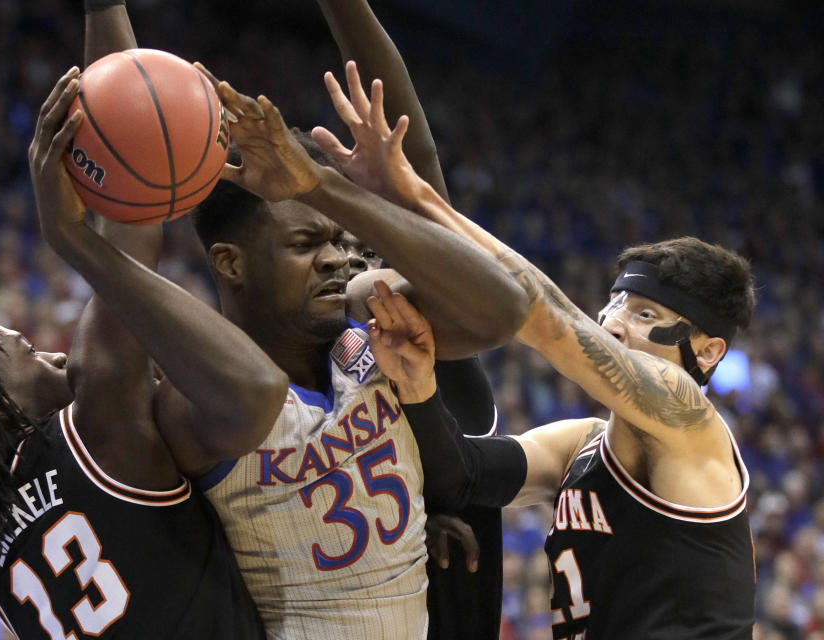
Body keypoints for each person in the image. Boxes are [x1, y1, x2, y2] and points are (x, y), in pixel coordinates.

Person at [0, 7, 285, 634]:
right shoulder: (89, 429)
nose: (55, 356)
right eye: (27, 354)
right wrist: (71, 239)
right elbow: (132, 199)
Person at [332, 95, 757, 636]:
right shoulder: (578, 445)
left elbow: (549, 319)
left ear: (708, 351)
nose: (612, 323)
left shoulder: (688, 417)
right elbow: (460, 475)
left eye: (645, 313)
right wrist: (419, 388)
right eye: (615, 303)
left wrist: (413, 196)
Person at [164, 54, 529, 636]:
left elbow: (506, 305)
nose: (338, 259)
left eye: (344, 240)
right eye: (309, 242)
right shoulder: (205, 398)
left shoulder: (381, 335)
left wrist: (412, 516)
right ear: (231, 263)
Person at [313, 3, 507, 636]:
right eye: (335, 246)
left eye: (373, 247)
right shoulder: (303, 354)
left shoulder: (432, 330)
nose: (353, 261)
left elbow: (416, 160)